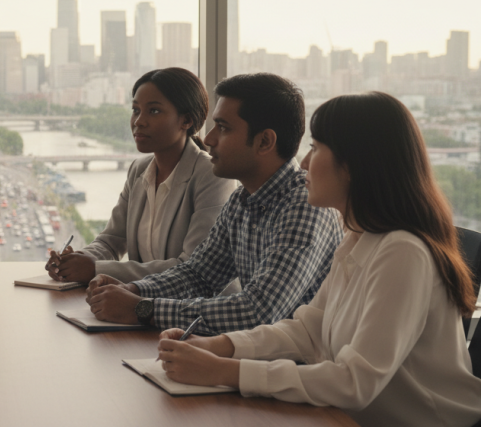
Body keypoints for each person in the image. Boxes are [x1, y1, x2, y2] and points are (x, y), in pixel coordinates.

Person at [156, 92, 481, 427]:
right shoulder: (359, 236)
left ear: (355, 164)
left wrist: (226, 371)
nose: (305, 163)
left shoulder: (403, 252)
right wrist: (218, 346)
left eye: (316, 147)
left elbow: (354, 382)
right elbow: (308, 331)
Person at [86, 73, 343, 335]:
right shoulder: (242, 200)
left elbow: (258, 312)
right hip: (253, 359)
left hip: (296, 368)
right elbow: (198, 275)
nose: (208, 139)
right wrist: (132, 290)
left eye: (223, 127)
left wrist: (143, 308)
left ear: (264, 141)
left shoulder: (305, 206)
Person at [45, 68, 236, 283]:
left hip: (191, 311)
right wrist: (76, 261)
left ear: (187, 121)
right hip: (136, 304)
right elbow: (111, 241)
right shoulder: (139, 170)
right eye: (135, 110)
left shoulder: (212, 176)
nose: (139, 121)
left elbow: (191, 268)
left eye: (153, 111)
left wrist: (95, 269)